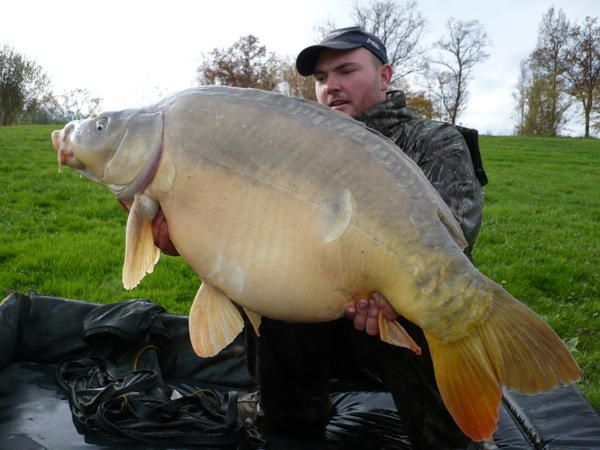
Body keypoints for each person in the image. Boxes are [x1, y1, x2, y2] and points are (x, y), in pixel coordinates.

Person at [151, 27, 485, 449]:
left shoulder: (433, 141)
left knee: (433, 309)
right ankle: (290, 413)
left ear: (385, 76)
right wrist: (184, 237)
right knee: (264, 288)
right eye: (322, 79)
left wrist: (392, 293)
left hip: (394, 313)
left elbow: (456, 236)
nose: (332, 87)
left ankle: (455, 433)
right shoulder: (290, 148)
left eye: (346, 71)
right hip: (315, 309)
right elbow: (252, 231)